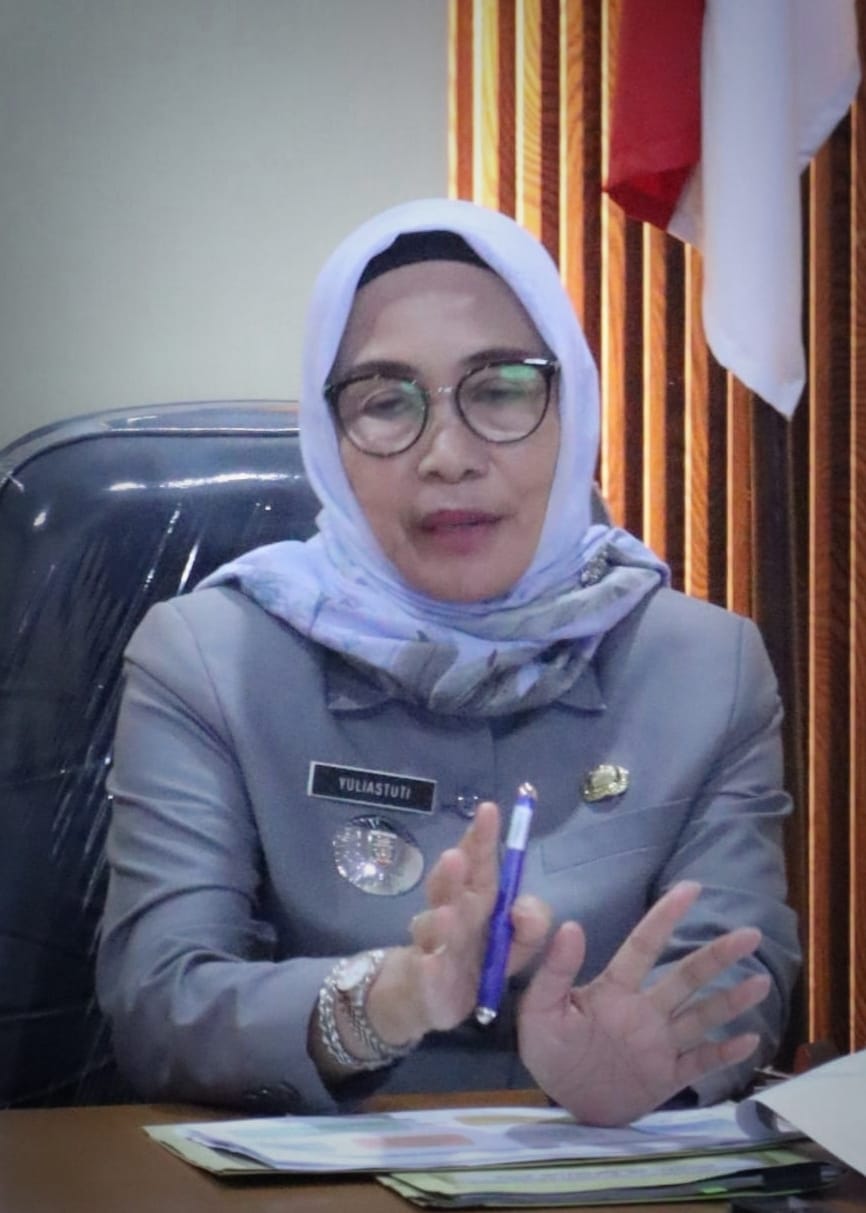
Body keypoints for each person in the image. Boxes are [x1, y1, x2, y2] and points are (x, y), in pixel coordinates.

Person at [96, 198, 800, 1124]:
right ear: (328, 438)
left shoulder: (708, 666)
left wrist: (652, 1067)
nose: (449, 455)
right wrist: (381, 1002)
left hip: (618, 1173)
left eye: (501, 390)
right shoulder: (209, 659)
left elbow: (740, 970)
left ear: (574, 409)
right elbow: (159, 1002)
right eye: (387, 402)